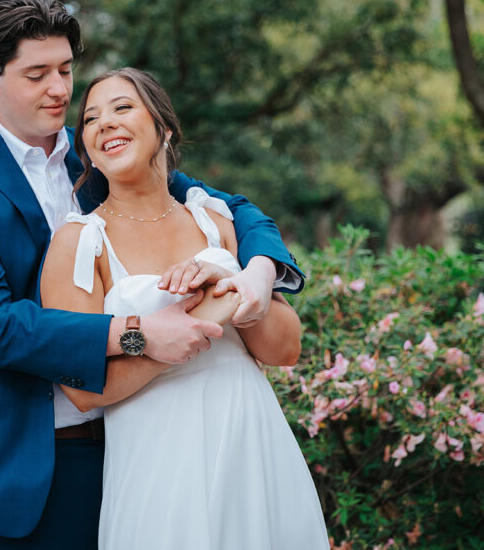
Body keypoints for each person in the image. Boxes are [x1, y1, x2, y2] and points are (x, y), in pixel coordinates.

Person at [0, 0, 304, 549]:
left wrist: (260, 272)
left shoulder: (104, 157)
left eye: (67, 69)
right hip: (9, 465)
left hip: (124, 448)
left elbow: (235, 209)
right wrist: (139, 333)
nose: (60, 90)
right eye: (37, 74)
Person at [40, 67, 328, 549]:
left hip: (250, 441)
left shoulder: (214, 221)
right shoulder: (79, 242)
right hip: (157, 459)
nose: (104, 123)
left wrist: (233, 290)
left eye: (122, 107)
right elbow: (81, 391)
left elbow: (286, 348)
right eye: (90, 119)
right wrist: (176, 336)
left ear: (164, 128)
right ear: (86, 148)